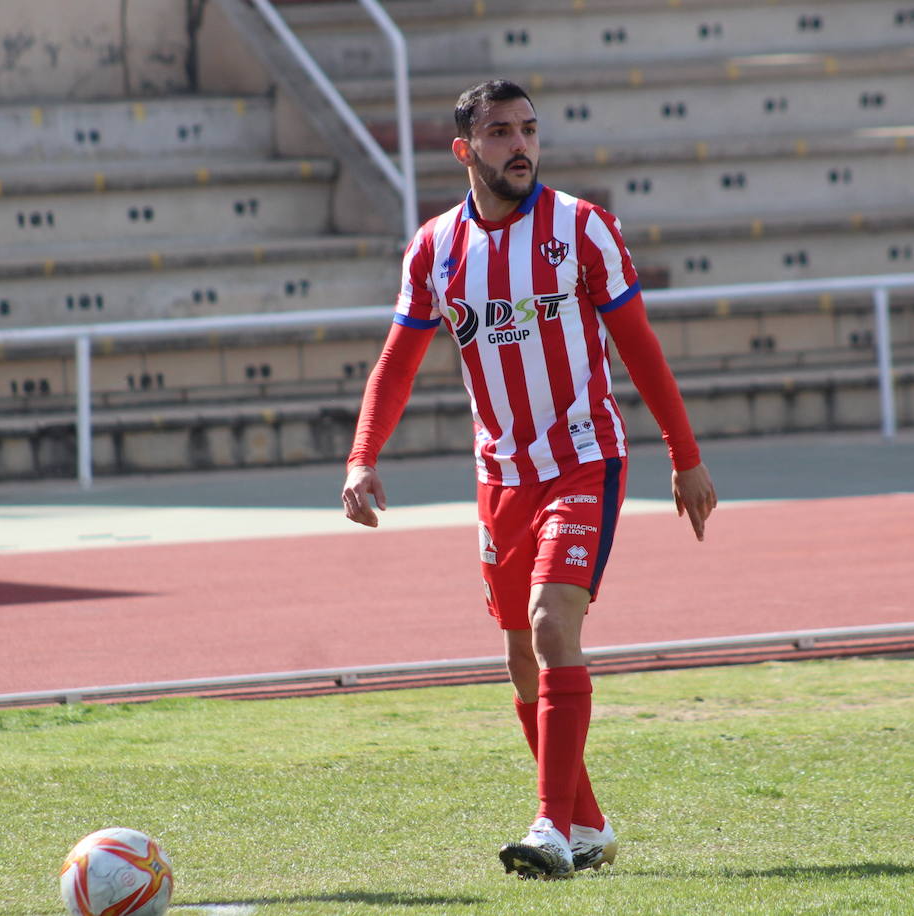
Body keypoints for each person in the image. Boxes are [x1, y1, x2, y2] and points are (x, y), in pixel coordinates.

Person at [340, 80, 717, 879]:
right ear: (465, 148)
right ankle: (588, 825)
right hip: (501, 476)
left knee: (552, 628)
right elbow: (397, 364)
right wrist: (362, 456)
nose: (520, 144)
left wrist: (685, 456)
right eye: (502, 131)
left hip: (583, 459)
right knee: (519, 654)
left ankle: (549, 827)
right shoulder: (434, 249)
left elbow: (640, 348)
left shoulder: (583, 229)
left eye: (530, 129)